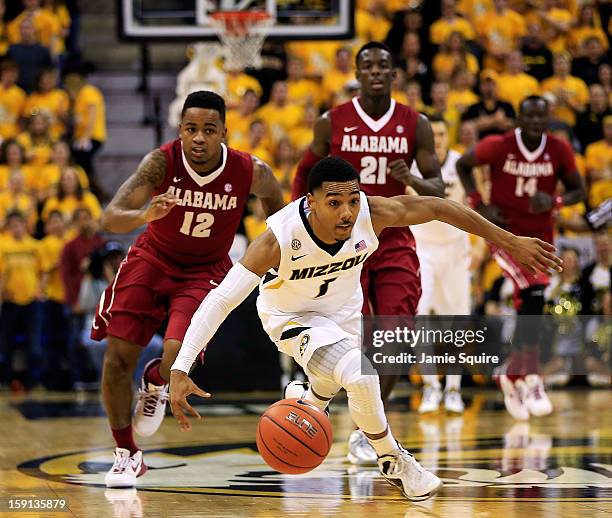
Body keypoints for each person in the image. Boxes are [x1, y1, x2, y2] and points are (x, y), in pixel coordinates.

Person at [169, 156, 561, 501]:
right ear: (310, 202)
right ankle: (394, 461)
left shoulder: (372, 214)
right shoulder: (278, 239)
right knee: (359, 373)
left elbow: (439, 208)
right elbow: (220, 300)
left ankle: (310, 398)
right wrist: (181, 367)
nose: (346, 212)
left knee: (341, 372)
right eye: (334, 202)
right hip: (290, 319)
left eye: (353, 201)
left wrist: (508, 241)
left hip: (342, 316)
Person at [93, 91, 284, 488]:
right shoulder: (160, 162)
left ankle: (157, 380)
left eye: (208, 130)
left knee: (176, 354)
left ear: (224, 134)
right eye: (190, 129)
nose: (198, 138)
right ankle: (127, 454)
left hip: (205, 269)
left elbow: (277, 212)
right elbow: (110, 217)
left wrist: (276, 247)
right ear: (179, 130)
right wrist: (145, 214)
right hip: (153, 258)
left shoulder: (252, 170)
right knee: (115, 359)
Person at [291, 41, 445, 466]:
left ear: (393, 74)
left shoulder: (417, 124)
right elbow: (306, 174)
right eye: (367, 65)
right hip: (343, 241)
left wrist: (410, 176)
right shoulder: (331, 122)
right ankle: (313, 398)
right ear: (358, 73)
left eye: (383, 65)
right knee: (344, 337)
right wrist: (299, 227)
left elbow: (439, 189)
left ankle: (366, 430)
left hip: (393, 237)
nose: (376, 71)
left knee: (394, 339)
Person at [456, 95, 585, 420]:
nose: (535, 122)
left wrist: (555, 201)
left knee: (532, 300)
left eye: (541, 117)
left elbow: (578, 190)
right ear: (519, 120)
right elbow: (463, 164)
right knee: (535, 293)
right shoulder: (499, 145)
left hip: (542, 237)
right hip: (505, 235)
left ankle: (512, 373)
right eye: (529, 117)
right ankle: (530, 375)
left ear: (548, 118)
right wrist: (477, 202)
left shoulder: (558, 149)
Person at [409, 116, 470, 414]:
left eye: (443, 133)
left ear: (450, 135)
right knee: (420, 319)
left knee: (457, 323)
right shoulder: (412, 168)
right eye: (433, 134)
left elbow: (474, 206)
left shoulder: (461, 165)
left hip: (456, 250)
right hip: (423, 249)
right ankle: (431, 387)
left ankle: (454, 389)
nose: (439, 138)